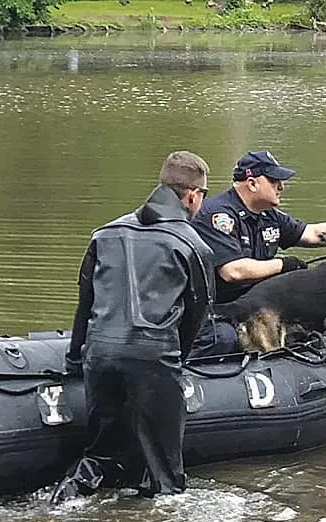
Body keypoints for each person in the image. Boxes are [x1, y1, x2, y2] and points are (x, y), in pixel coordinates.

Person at [51, 150, 215, 503]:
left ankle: (64, 502)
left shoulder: (104, 234)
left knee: (98, 454)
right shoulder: (194, 245)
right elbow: (198, 314)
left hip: (100, 354)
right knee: (165, 475)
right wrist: (175, 359)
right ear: (192, 195)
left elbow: (85, 303)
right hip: (153, 356)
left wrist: (75, 361)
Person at [188, 150, 326, 357]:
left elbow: (312, 234)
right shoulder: (218, 215)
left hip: (263, 307)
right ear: (252, 183)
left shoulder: (269, 216)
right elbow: (233, 271)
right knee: (224, 338)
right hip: (220, 311)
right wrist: (283, 265)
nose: (281, 187)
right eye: (274, 181)